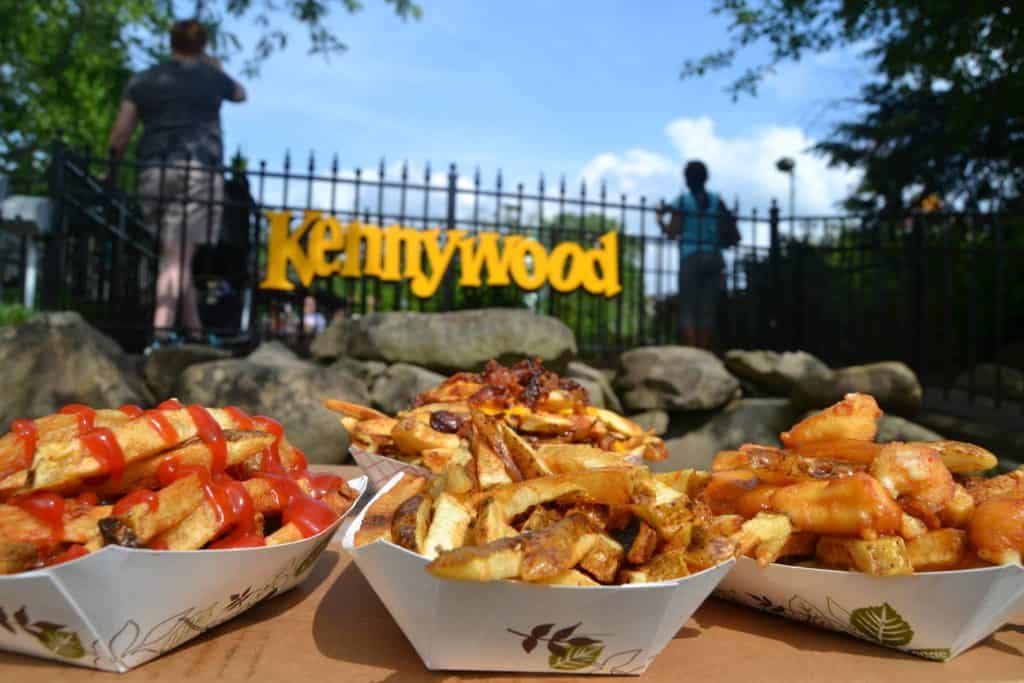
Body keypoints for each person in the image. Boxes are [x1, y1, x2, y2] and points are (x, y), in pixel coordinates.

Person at [106, 18, 247, 343]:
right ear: (203, 45)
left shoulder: (144, 80)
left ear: (170, 43)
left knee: (175, 255)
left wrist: (111, 171)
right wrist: (216, 66)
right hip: (199, 168)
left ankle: (196, 331)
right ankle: (162, 332)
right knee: (178, 257)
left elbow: (120, 134)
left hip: (154, 169)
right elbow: (241, 94)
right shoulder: (213, 78)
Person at [655, 160, 735, 349]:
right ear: (706, 178)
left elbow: (672, 233)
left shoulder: (683, 201)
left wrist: (659, 219)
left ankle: (692, 353)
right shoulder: (717, 200)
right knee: (708, 310)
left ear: (686, 179)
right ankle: (705, 350)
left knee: (688, 308)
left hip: (690, 257)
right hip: (714, 257)